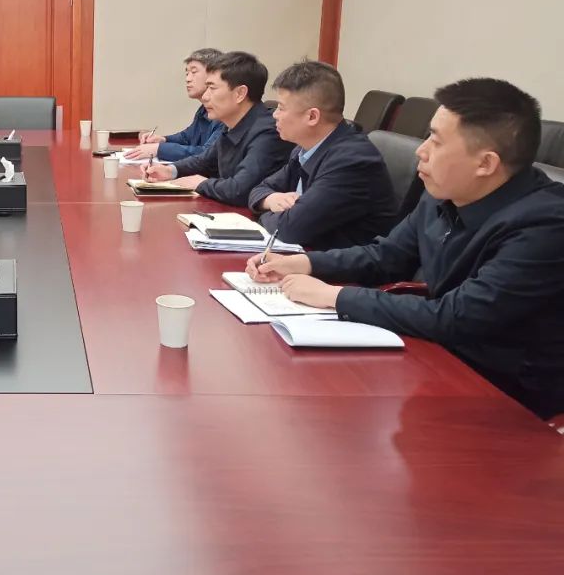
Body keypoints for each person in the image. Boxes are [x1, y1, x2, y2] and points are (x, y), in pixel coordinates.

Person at [246, 78, 564, 419]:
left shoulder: (545, 225)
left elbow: (458, 317)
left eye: (436, 142)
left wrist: (334, 296)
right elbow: (386, 257)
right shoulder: (444, 192)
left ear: (485, 163)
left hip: (510, 398)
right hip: (435, 359)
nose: (420, 151)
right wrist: (305, 263)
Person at [247, 60, 395, 249]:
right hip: (307, 253)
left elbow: (289, 229)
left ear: (312, 117)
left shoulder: (352, 161)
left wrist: (265, 213)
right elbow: (259, 189)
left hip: (342, 264)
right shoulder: (306, 148)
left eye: (282, 108)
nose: (274, 115)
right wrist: (270, 200)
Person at [143, 51, 292, 206]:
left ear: (240, 94)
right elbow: (204, 161)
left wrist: (201, 183)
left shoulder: (269, 132)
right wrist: (170, 170)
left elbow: (240, 189)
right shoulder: (232, 123)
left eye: (212, 88)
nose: (205, 96)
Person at [124, 48, 226, 161]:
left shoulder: (226, 112)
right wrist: (163, 140)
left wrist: (159, 149)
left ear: (214, 74)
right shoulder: (204, 109)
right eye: (187, 73)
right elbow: (187, 137)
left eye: (193, 72)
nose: (187, 79)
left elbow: (208, 154)